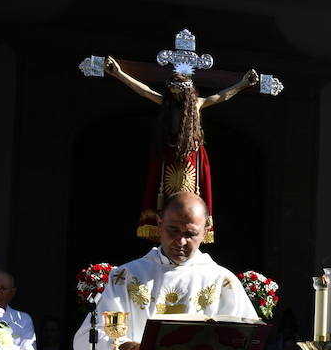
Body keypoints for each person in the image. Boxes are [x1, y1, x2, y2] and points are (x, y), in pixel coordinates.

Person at [74, 191, 256, 350]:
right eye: (173, 230)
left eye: (190, 234)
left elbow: (248, 343)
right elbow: (94, 335)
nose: (180, 241)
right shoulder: (126, 277)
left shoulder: (223, 282)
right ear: (159, 224)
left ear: (206, 230)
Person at [104, 57, 260, 242]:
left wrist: (242, 84)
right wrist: (120, 74)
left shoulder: (197, 104)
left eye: (178, 91)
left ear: (187, 92)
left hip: (192, 154)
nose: (175, 95)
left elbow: (221, 96)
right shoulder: (166, 104)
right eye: (172, 91)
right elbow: (145, 91)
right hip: (169, 153)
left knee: (191, 192)